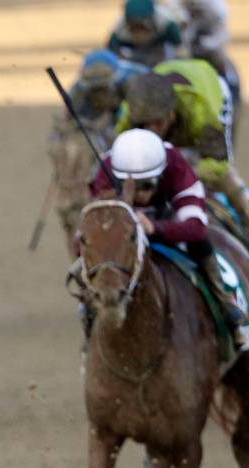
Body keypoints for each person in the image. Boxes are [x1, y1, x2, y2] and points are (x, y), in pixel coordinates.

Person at [90, 128, 248, 347]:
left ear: (161, 175)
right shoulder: (105, 173)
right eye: (132, 186)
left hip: (167, 213)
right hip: (124, 222)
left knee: (199, 243)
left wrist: (155, 228)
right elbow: (84, 237)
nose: (139, 194)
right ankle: (89, 319)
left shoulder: (177, 167)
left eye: (147, 185)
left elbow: (196, 228)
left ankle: (224, 303)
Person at [118, 61, 247, 223]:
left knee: (223, 174)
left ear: (171, 114)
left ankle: (245, 206)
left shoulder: (200, 112)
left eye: (157, 123)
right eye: (144, 123)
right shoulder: (129, 114)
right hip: (164, 78)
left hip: (212, 87)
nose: (151, 130)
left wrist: (184, 178)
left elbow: (218, 163)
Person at [108, 0, 182, 65]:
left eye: (142, 28)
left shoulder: (165, 23)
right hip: (133, 54)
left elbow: (179, 46)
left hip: (158, 48)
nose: (139, 35)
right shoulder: (119, 30)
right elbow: (111, 53)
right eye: (134, 28)